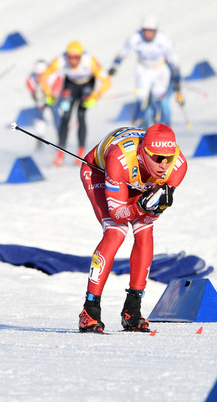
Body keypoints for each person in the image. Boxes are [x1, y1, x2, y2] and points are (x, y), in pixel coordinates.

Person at [77, 124, 187, 333]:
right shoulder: (120, 158)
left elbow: (150, 214)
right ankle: (89, 310)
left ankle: (132, 309)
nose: (164, 165)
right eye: (157, 158)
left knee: (145, 228)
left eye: (168, 158)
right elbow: (118, 212)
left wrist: (157, 208)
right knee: (116, 231)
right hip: (100, 171)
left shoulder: (178, 166)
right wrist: (139, 206)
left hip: (137, 180)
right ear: (143, 152)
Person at [40, 41, 111, 166]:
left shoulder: (90, 60)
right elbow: (44, 76)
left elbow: (106, 81)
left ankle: (80, 153)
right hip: (70, 84)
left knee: (81, 115)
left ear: (81, 56)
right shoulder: (60, 60)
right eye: (70, 57)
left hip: (87, 85)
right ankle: (60, 154)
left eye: (76, 57)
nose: (72, 61)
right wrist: (48, 93)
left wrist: (95, 95)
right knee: (66, 115)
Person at [108, 15, 182, 128]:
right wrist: (115, 65)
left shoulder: (163, 39)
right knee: (141, 96)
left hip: (159, 69)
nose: (147, 34)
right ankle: (143, 125)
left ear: (155, 31)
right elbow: (124, 51)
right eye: (145, 31)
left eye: (151, 31)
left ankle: (162, 125)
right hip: (143, 69)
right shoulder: (135, 38)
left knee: (158, 95)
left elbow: (173, 58)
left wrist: (176, 76)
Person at [25, 59, 63, 142]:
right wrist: (37, 98)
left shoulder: (54, 76)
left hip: (52, 98)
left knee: (55, 113)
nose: (39, 76)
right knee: (39, 115)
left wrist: (52, 96)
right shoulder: (31, 78)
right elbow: (31, 88)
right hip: (41, 99)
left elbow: (57, 89)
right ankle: (39, 138)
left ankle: (61, 137)